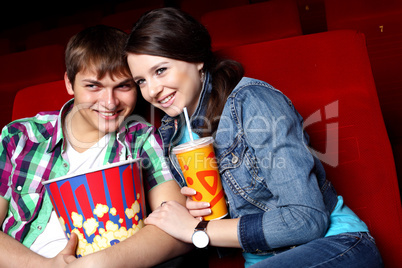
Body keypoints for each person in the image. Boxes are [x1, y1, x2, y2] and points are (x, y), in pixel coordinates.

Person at [124, 7, 384, 268]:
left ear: (196, 59)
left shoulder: (253, 101)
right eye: (141, 81)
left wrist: (199, 229)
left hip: (335, 247)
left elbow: (306, 219)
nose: (153, 91)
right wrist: (200, 212)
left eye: (160, 70)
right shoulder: (171, 133)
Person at [0, 25, 192, 267]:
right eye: (93, 86)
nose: (110, 102)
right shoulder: (20, 137)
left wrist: (96, 264)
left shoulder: (142, 139)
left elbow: (177, 229)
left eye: (123, 86)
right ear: (69, 83)